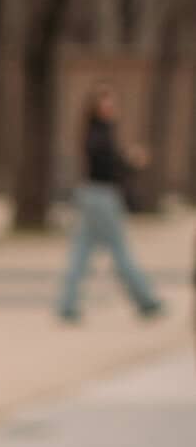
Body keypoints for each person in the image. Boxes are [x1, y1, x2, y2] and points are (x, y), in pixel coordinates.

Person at [56, 84, 165, 325]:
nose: (110, 107)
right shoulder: (99, 133)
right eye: (105, 103)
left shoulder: (97, 132)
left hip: (90, 195)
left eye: (112, 102)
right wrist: (130, 160)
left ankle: (67, 304)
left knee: (81, 253)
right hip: (102, 196)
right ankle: (145, 299)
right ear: (95, 107)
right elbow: (108, 167)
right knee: (120, 251)